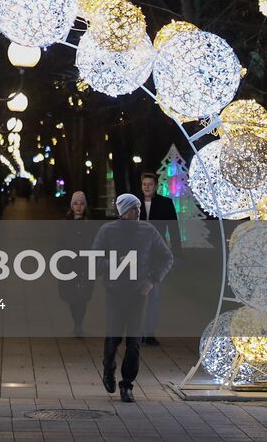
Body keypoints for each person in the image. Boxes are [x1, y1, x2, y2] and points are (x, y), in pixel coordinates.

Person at [91, 193, 173, 403]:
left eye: (138, 208)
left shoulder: (148, 230)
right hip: (115, 292)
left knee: (134, 341)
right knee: (113, 338)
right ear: (122, 212)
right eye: (132, 208)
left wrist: (152, 280)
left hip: (138, 293)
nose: (137, 212)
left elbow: (166, 256)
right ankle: (108, 368)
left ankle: (127, 385)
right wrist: (114, 263)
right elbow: (94, 261)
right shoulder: (107, 230)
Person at [138, 172, 177, 345]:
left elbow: (174, 229)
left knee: (154, 294)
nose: (147, 187)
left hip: (156, 255)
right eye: (144, 184)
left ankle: (150, 333)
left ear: (156, 186)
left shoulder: (165, 204)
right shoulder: (135, 203)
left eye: (150, 184)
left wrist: (177, 253)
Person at [56, 191, 95, 336]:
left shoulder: (89, 224)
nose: (79, 207)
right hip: (69, 265)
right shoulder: (64, 224)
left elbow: (94, 244)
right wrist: (64, 260)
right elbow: (59, 244)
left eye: (82, 204)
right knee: (72, 297)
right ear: (72, 206)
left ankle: (79, 324)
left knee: (82, 297)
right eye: (76, 204)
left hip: (85, 265)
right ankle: (76, 321)